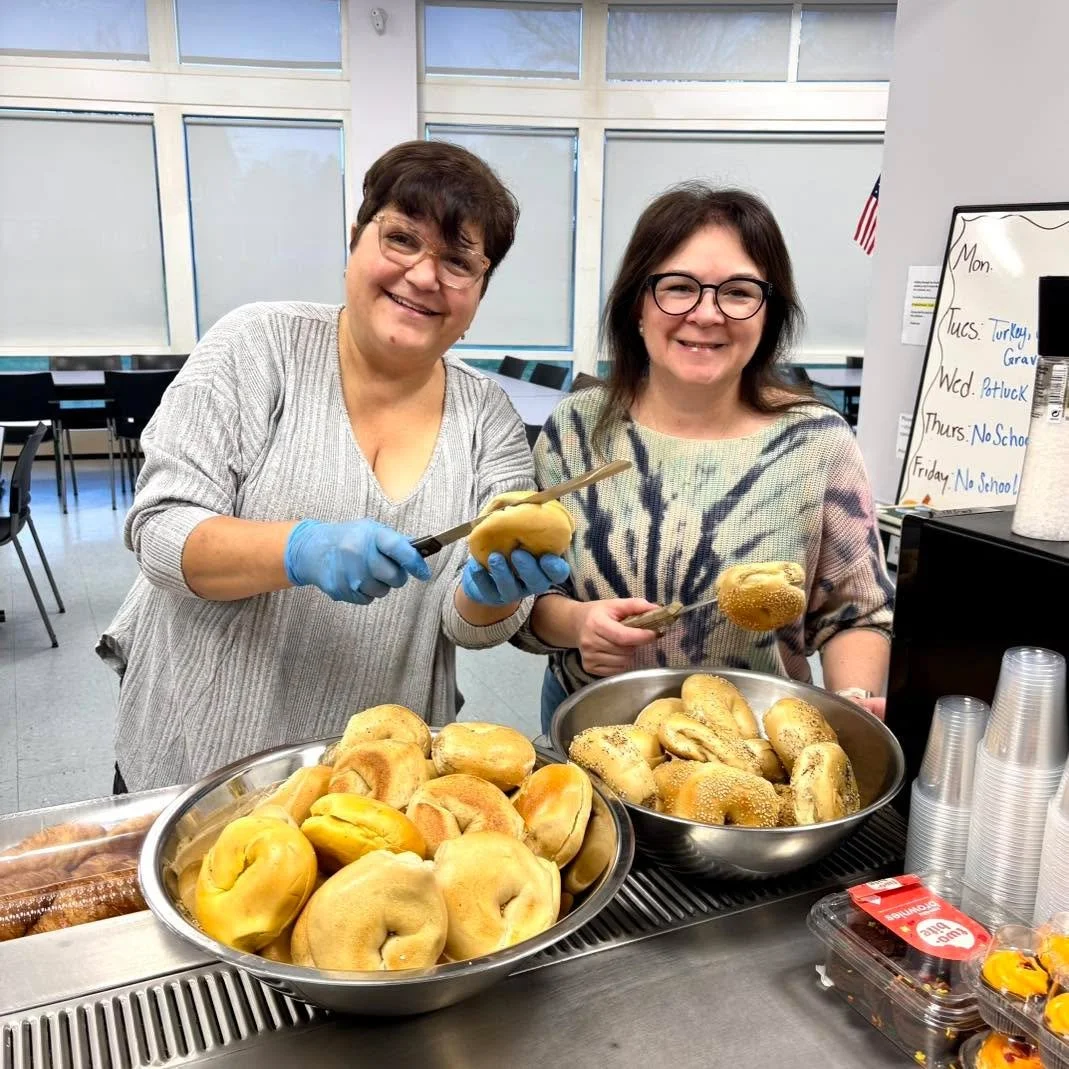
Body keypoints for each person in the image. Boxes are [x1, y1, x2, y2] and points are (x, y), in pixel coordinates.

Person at [97, 140, 568, 792]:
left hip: (374, 784)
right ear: (356, 240)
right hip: (194, 764)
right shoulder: (259, 346)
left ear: (480, 289)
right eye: (402, 239)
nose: (426, 275)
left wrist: (495, 591)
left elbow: (466, 623)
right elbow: (160, 531)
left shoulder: (487, 413)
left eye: (458, 260)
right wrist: (300, 548)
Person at [517, 183, 893, 734]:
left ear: (769, 313)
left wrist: (853, 699)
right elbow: (528, 601)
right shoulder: (577, 430)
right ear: (637, 307)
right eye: (678, 287)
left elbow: (858, 616)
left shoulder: (818, 442)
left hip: (758, 745)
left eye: (738, 292)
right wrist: (579, 625)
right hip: (596, 732)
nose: (707, 313)